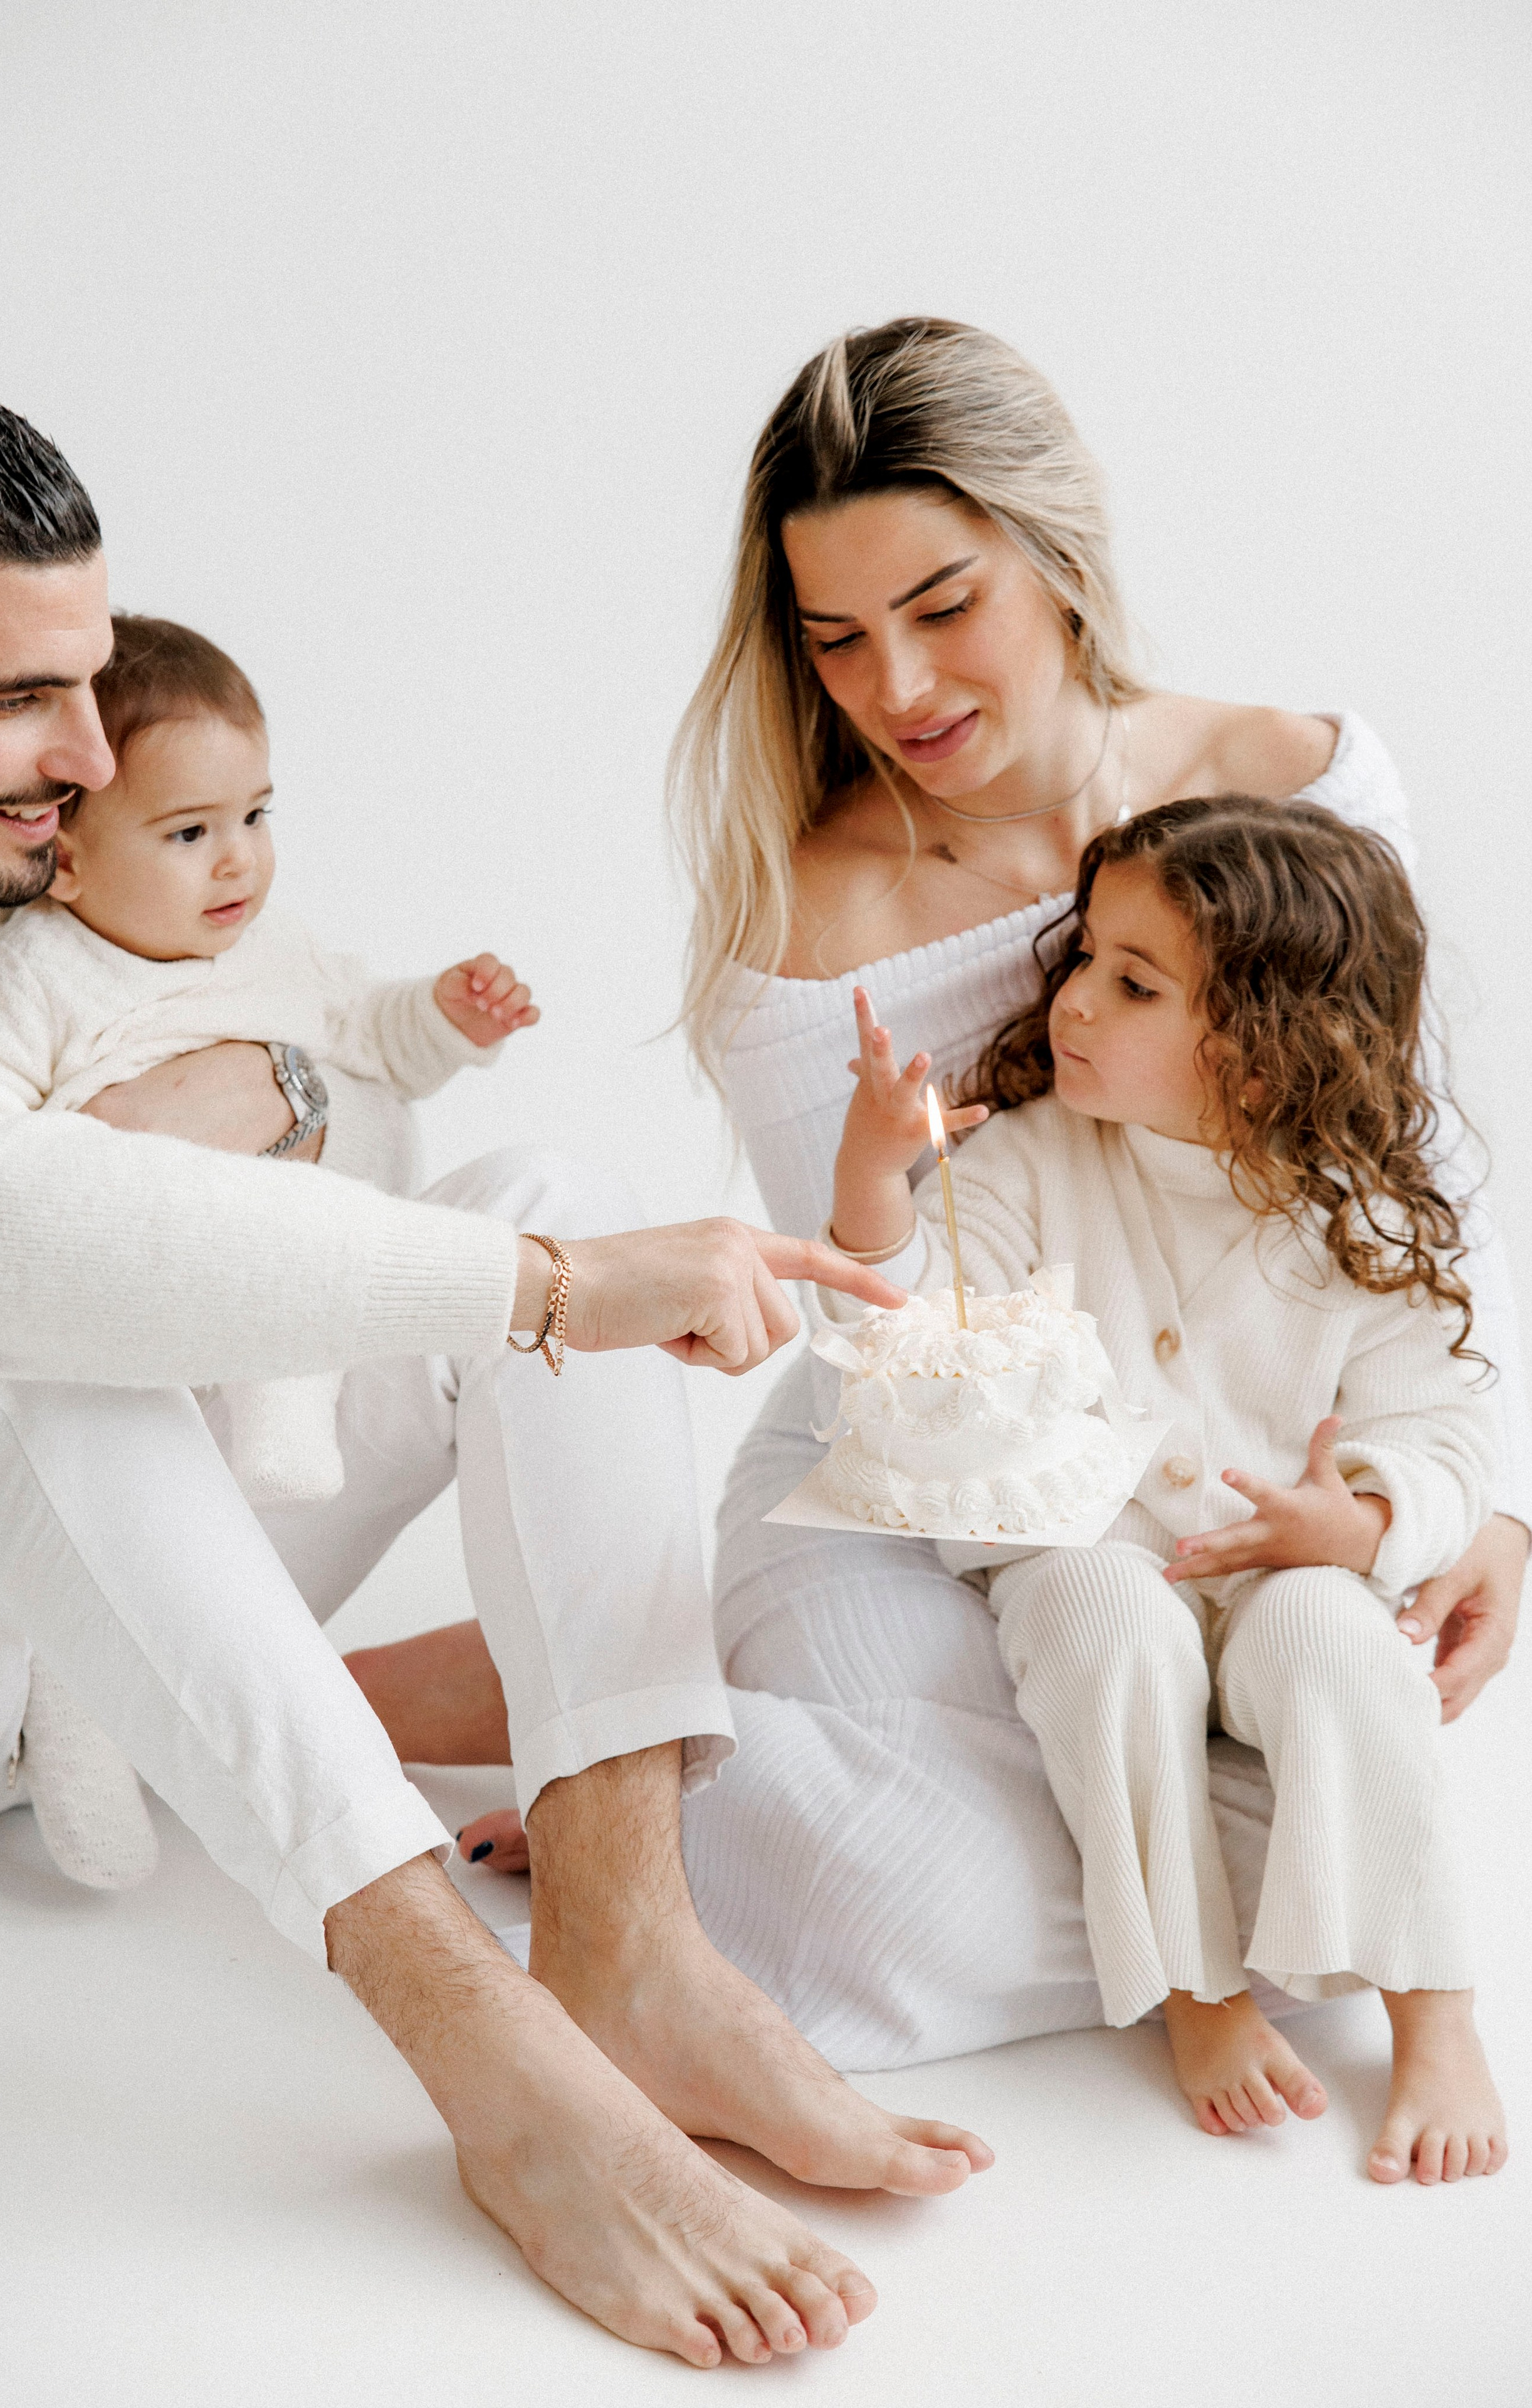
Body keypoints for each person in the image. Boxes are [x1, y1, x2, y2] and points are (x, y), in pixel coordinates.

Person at [0, 386, 994, 2370]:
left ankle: (628, 1935)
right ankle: (491, 2052)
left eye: (91, 687)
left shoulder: (36, 874)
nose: (86, 758)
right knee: (14, 1345)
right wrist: (550, 1288)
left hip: (119, 1631)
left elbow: (326, 1136)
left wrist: (308, 1092)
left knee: (552, 1180)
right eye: (16, 701)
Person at [441, 319, 1529, 2110]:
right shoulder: (811, 925)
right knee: (956, 1871)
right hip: (932, 1497)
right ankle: (620, 1770)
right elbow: (901, 1340)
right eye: (838, 639)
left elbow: (1410, 1159)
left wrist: (1490, 1501)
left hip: (1252, 1451)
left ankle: (598, 1704)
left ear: (1058, 553)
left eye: (945, 605)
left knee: (1289, 1726)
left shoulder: (1299, 774)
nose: (899, 686)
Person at [820, 796, 1506, 2183]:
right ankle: (1195, 1989)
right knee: (1099, 1624)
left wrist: (1362, 1520)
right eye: (1083, 959)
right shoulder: (1021, 1163)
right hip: (1086, 1546)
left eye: (1131, 985)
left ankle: (1431, 2007)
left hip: (1279, 1562)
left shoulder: (1358, 1216)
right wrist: (869, 1172)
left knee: (1334, 1643)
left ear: (1263, 1051)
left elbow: (1445, 1424)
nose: (1070, 1000)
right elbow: (912, 1328)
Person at [0, 609, 542, 1527]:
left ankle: (285, 1422)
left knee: (300, 1253)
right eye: (189, 834)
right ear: (64, 860)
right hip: (129, 1324)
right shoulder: (41, 973)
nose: (240, 861)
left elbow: (374, 1038)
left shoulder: (275, 946)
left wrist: (448, 1017)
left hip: (302, 1286)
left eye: (256, 816)